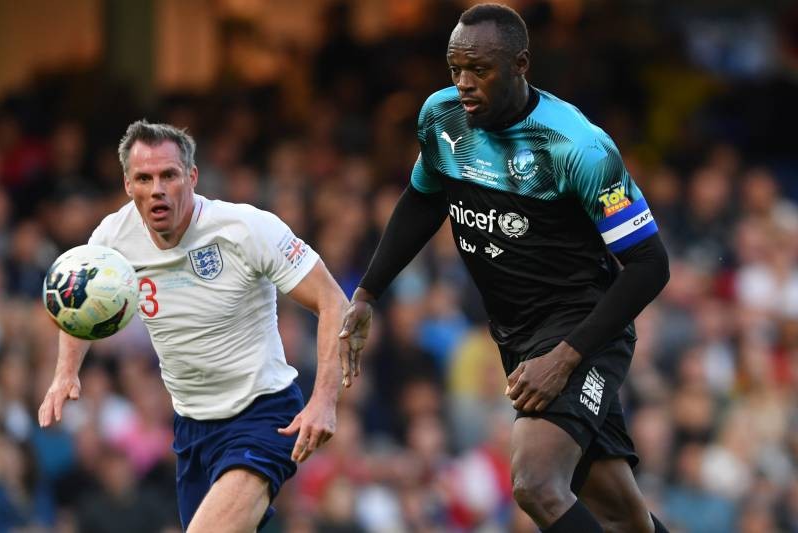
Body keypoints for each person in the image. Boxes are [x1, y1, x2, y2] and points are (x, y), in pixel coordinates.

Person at [339, 4, 671, 532]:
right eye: (455, 70)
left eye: (480, 70)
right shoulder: (442, 118)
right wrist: (368, 293)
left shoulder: (578, 147)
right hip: (517, 336)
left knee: (536, 483)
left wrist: (564, 359)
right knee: (621, 515)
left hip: (581, 330)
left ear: (520, 65)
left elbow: (650, 266)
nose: (464, 84)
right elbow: (424, 199)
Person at [38, 120, 353, 532]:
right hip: (192, 430)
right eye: (144, 178)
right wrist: (66, 371)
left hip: (263, 416)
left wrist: (325, 400)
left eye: (169, 175)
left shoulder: (245, 229)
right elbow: (77, 300)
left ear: (192, 176)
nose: (157, 189)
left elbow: (333, 301)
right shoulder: (112, 238)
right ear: (128, 185)